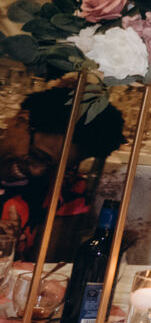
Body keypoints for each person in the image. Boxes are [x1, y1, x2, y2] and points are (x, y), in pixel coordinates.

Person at [0, 83, 127, 251]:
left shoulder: (67, 189)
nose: (39, 171)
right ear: (20, 123)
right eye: (37, 156)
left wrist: (11, 249)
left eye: (55, 169)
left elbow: (51, 262)